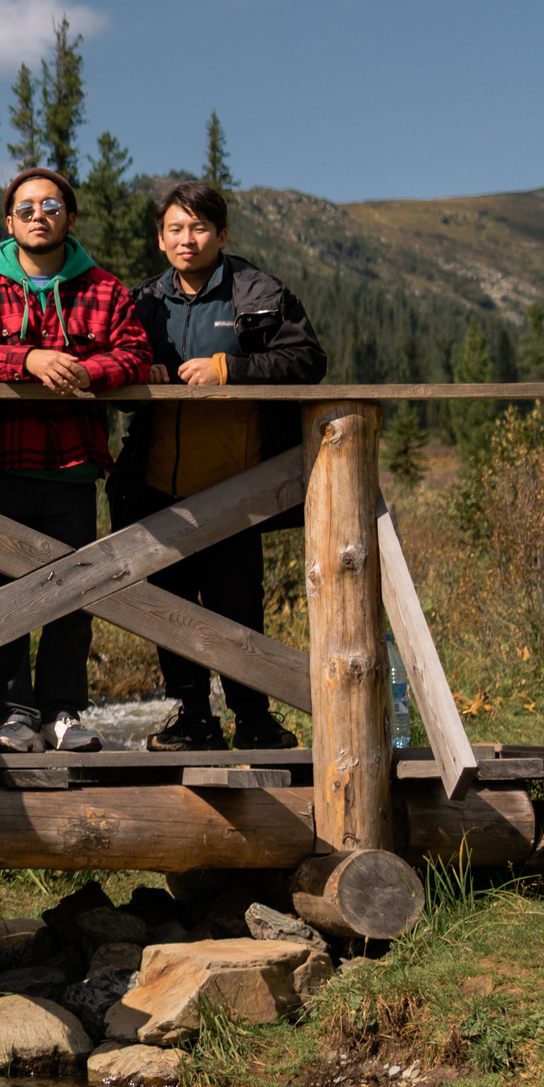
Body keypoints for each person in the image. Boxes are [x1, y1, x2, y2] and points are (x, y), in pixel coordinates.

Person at [0, 167, 154, 756]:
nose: (39, 215)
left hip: (72, 468)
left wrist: (89, 371)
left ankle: (64, 712)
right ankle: (13, 715)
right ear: (9, 221)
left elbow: (135, 356)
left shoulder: (105, 290)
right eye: (27, 207)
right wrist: (31, 359)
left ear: (70, 216)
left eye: (52, 205)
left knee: (74, 595)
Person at [117, 180, 323, 752]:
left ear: (222, 235)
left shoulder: (258, 291)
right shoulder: (141, 303)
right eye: (176, 229)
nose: (188, 239)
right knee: (170, 611)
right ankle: (193, 719)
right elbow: (114, 358)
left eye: (200, 227)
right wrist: (141, 372)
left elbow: (307, 360)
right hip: (158, 488)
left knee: (238, 610)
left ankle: (253, 719)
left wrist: (229, 371)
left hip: (237, 488)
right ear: (161, 240)